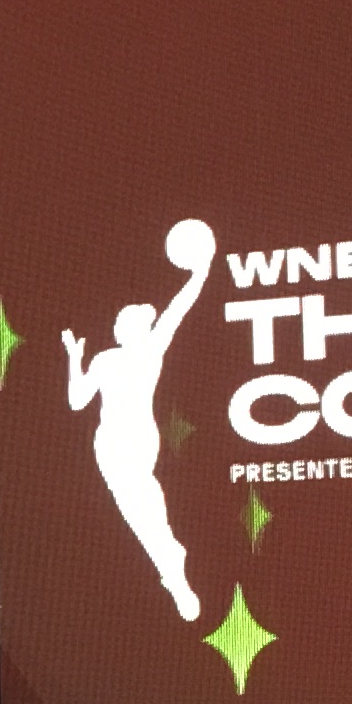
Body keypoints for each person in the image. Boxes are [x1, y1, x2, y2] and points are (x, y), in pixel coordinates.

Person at [66, 220, 216, 623]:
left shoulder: (150, 350)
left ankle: (170, 561)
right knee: (138, 506)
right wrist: (74, 360)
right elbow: (77, 402)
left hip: (137, 439)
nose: (125, 326)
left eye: (133, 322)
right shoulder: (105, 359)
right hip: (111, 442)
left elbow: (178, 309)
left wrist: (200, 273)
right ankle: (170, 563)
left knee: (143, 502)